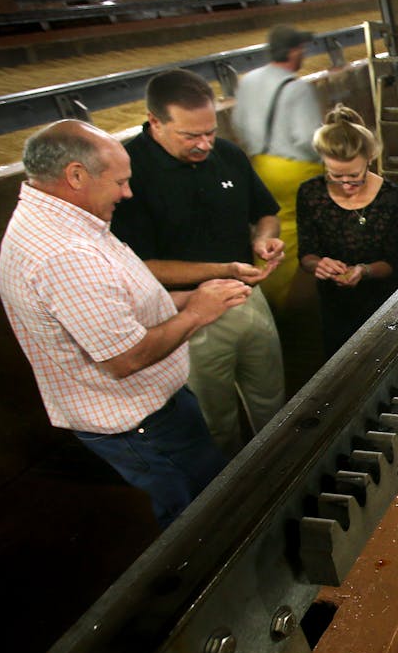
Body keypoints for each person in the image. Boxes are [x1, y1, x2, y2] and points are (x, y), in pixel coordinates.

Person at [0, 120, 250, 527]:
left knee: (208, 491)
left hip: (154, 409)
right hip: (143, 425)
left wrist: (194, 296)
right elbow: (125, 357)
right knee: (202, 514)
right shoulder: (64, 255)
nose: (127, 193)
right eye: (120, 182)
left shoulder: (67, 219)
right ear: (76, 175)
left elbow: (116, 305)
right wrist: (198, 313)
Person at [111, 69, 287, 457]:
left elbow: (265, 213)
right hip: (184, 311)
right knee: (213, 416)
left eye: (209, 131)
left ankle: (279, 464)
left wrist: (263, 239)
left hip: (246, 296)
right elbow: (141, 266)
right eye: (191, 136)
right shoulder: (127, 173)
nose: (205, 144)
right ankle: (228, 487)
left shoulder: (227, 154)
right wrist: (223, 270)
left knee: (270, 396)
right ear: (155, 122)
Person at [297, 106, 398, 356]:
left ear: (369, 159)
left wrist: (363, 270)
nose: (346, 184)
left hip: (382, 306)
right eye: (336, 176)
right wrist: (319, 264)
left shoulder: (393, 198)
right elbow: (306, 253)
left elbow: (392, 263)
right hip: (334, 307)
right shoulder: (310, 194)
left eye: (354, 176)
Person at [232, 24, 324, 310]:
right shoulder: (296, 88)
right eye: (302, 50)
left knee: (267, 229)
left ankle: (263, 290)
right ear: (294, 50)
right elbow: (307, 137)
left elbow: (238, 125)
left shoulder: (248, 81)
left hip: (260, 166)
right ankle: (286, 302)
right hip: (294, 171)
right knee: (293, 236)